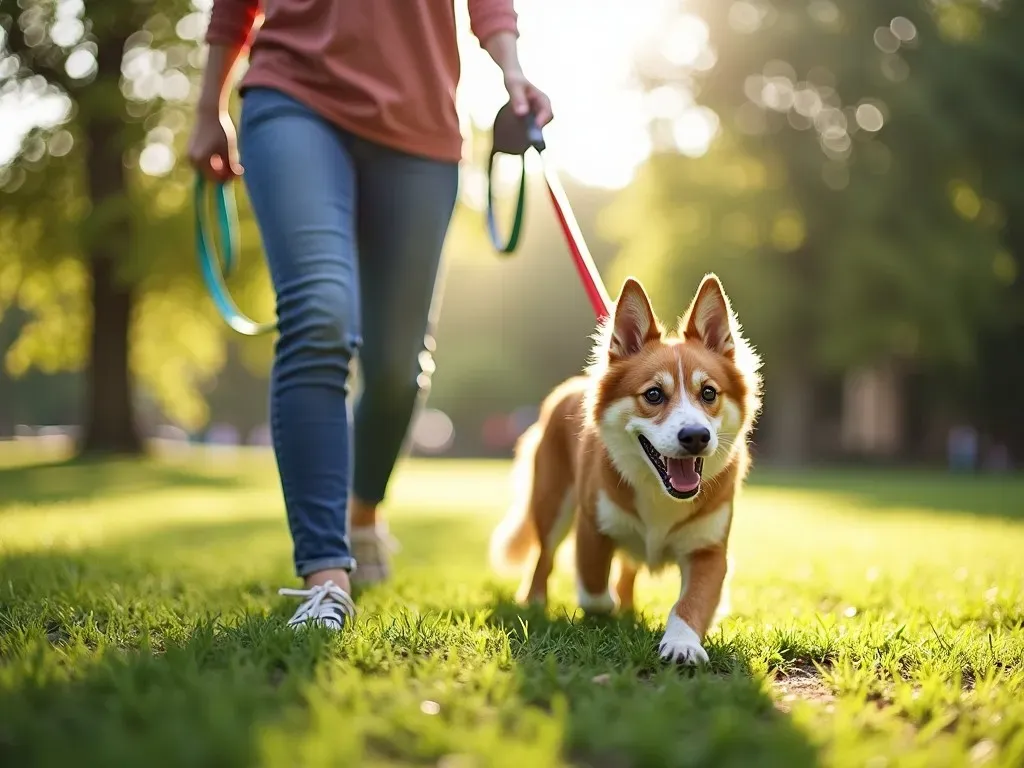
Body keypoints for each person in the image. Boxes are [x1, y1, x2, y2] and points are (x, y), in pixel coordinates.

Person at [188, 0, 553, 632]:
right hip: (292, 96)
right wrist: (208, 108)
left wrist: (513, 71)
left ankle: (362, 513)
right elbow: (234, 8)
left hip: (420, 128)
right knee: (320, 317)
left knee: (395, 368)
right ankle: (327, 574)